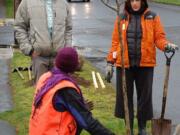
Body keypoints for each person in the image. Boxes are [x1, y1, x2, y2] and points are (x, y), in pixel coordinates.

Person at [105, 0, 178, 135]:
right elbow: (116, 42)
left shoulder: (152, 17)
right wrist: (110, 62)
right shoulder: (121, 18)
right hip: (124, 65)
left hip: (145, 65)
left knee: (144, 97)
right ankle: (130, 129)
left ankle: (142, 128)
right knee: (125, 98)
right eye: (132, 0)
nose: (135, 3)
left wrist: (166, 45)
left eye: (137, 0)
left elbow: (159, 38)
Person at [29, 47, 115, 135]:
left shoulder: (45, 77)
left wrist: (80, 106)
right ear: (74, 67)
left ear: (57, 62)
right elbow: (87, 122)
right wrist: (82, 109)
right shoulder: (65, 89)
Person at [14, 0, 72, 83]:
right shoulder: (27, 2)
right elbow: (19, 27)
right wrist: (29, 49)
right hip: (39, 57)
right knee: (41, 92)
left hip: (59, 58)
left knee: (59, 92)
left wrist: (67, 49)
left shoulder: (63, 3)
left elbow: (68, 29)